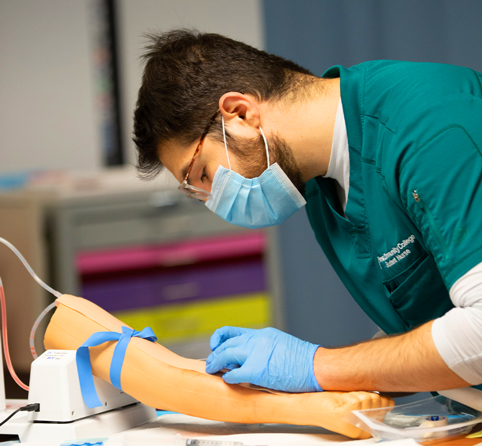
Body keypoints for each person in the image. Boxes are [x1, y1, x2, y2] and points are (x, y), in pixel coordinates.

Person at [133, 30, 482, 394]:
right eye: (196, 193)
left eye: (202, 175)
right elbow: (421, 324)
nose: (213, 201)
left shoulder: (431, 126)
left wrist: (317, 366)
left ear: (240, 114)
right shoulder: (318, 183)